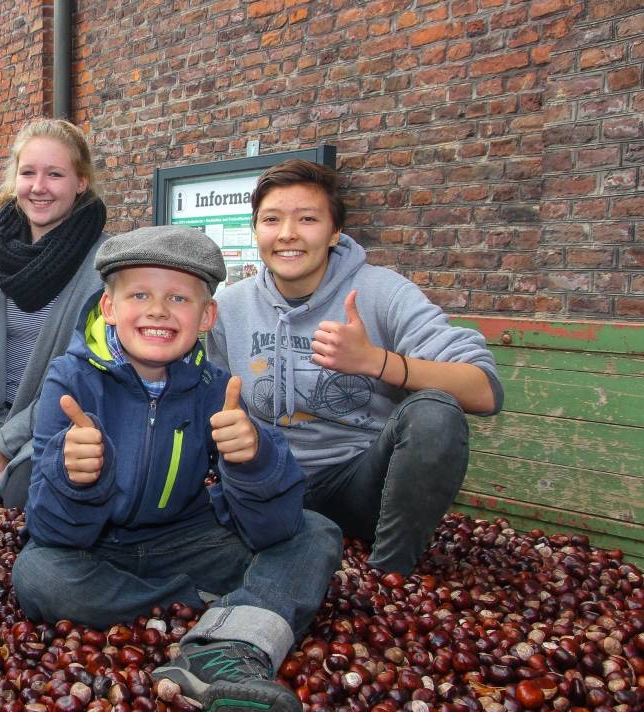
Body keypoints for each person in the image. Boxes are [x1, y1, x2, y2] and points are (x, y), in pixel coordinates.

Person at [11, 225, 343, 712]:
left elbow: (273, 525)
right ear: (109, 307)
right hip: (98, 547)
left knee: (316, 531)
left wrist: (252, 460)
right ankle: (218, 615)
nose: (159, 310)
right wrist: (75, 476)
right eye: (139, 294)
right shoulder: (70, 379)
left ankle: (226, 647)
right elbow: (49, 529)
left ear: (206, 316)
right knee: (38, 575)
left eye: (179, 298)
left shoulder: (217, 388)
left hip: (188, 536)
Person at [209, 160, 503, 576]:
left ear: (334, 233)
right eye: (271, 219)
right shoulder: (230, 307)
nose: (288, 233)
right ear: (256, 231)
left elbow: (484, 389)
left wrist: (375, 361)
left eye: (307, 219)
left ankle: (391, 577)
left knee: (435, 412)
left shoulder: (382, 292)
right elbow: (218, 401)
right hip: (268, 482)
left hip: (358, 486)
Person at [0, 118, 108, 508]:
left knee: (23, 498)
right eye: (28, 172)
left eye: (55, 174)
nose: (39, 187)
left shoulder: (103, 264)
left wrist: (8, 441)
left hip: (58, 424)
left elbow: (87, 378)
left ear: (80, 182)